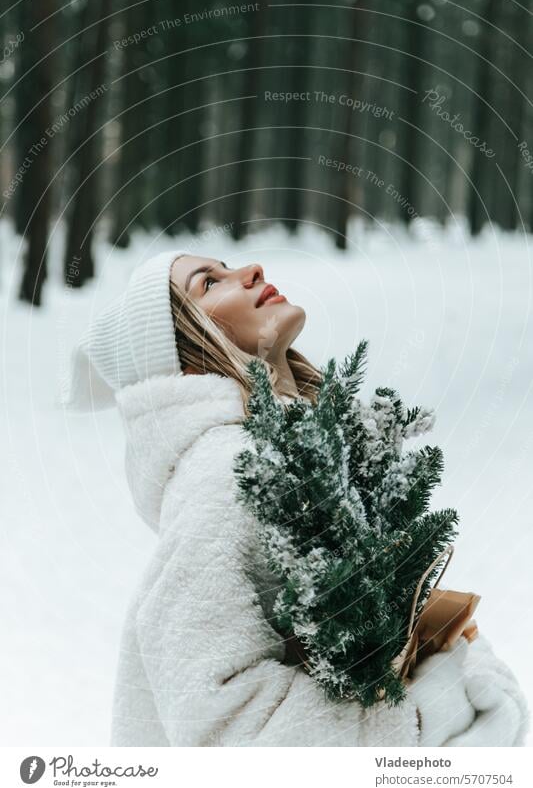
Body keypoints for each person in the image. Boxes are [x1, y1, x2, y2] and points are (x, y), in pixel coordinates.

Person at [66, 249, 529, 747]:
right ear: (185, 354)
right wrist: (419, 722)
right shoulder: (229, 474)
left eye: (229, 266)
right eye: (209, 283)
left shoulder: (301, 460)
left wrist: (464, 667)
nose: (252, 272)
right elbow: (224, 729)